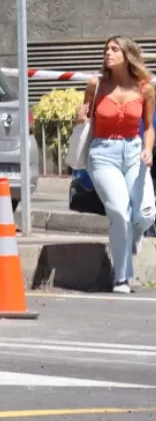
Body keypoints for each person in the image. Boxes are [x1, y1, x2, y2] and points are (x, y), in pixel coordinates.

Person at [75, 36, 156, 294]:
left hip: (134, 152)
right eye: (106, 49)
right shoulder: (96, 85)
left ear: (127, 54)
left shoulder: (145, 88)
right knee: (119, 212)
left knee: (145, 213)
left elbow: (149, 127)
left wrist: (148, 149)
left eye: (114, 49)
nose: (108, 53)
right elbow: (84, 116)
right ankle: (121, 278)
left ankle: (134, 237)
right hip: (103, 154)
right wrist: (79, 116)